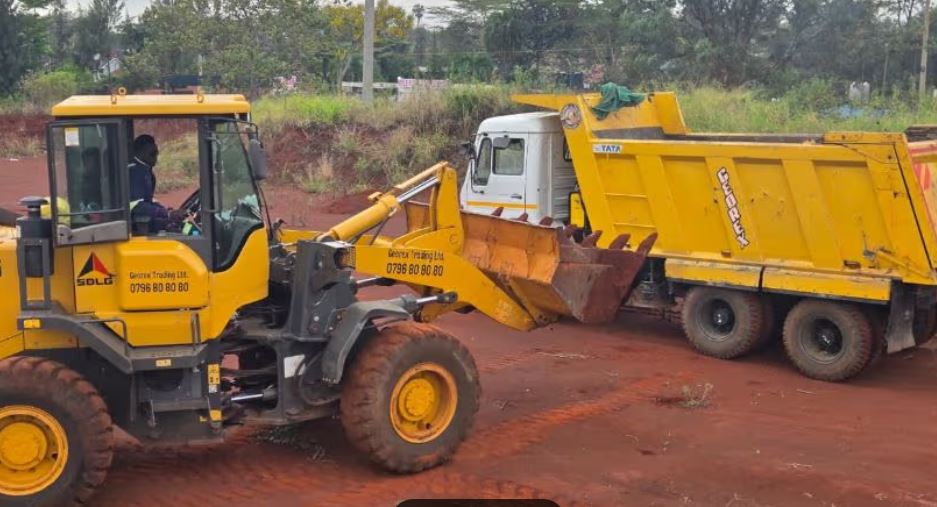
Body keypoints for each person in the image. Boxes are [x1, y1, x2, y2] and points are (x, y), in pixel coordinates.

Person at [128, 134, 170, 232]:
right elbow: (135, 205)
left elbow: (147, 200)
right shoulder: (134, 172)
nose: (156, 157)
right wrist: (164, 213)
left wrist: (166, 210)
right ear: (141, 152)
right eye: (152, 153)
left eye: (156, 153)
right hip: (135, 228)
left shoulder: (146, 170)